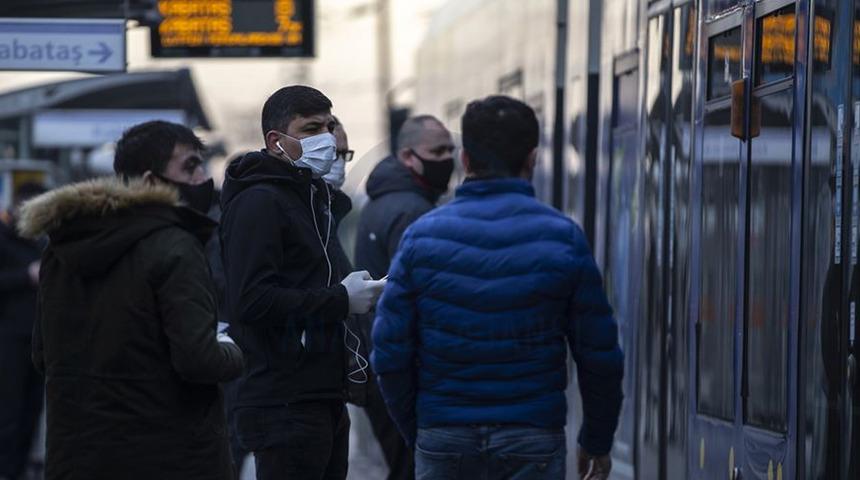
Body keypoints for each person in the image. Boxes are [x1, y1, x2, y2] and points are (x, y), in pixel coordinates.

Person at [371, 96, 624, 480]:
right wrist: (596, 441)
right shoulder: (562, 237)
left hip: (444, 435)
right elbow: (599, 355)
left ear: (466, 161)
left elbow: (389, 353)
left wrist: (421, 429)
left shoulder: (420, 237)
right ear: (533, 158)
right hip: (532, 437)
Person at [19, 120, 245, 480]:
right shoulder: (175, 246)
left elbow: (42, 354)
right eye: (190, 166)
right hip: (169, 456)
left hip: (77, 455)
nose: (203, 176)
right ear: (152, 182)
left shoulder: (61, 248)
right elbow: (198, 360)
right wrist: (231, 349)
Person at [219, 85, 385, 480]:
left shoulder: (308, 198)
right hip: (284, 402)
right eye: (311, 129)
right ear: (276, 141)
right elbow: (252, 301)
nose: (326, 138)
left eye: (329, 126)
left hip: (320, 394)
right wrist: (340, 299)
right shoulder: (260, 201)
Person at [354, 115, 455, 280]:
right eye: (438, 151)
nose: (447, 157)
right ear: (408, 156)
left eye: (450, 150)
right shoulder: (413, 210)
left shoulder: (379, 198)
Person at [0, 182, 46, 480]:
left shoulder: (44, 243)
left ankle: (18, 469)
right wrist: (26, 276)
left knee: (30, 412)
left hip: (37, 340)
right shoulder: (3, 240)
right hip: (8, 338)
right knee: (9, 412)